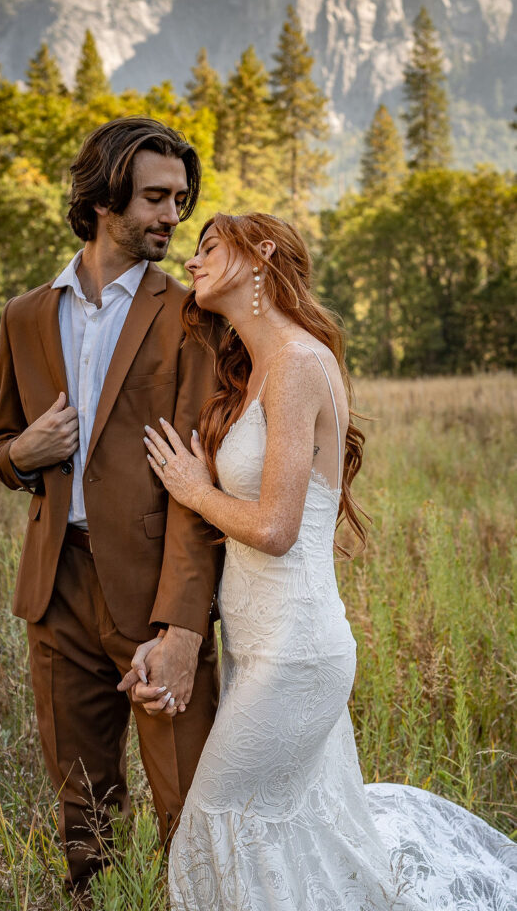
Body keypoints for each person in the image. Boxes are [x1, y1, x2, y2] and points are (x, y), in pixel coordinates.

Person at [121, 212, 517, 909]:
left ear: (260, 254)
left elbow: (275, 529)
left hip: (295, 653)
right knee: (285, 839)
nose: (192, 260)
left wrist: (192, 489)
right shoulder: (264, 368)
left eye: (209, 246)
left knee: (214, 825)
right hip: (259, 648)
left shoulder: (301, 363)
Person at [0, 117, 223, 898]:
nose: (171, 217)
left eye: (180, 200)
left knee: (187, 810)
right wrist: (23, 456)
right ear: (102, 197)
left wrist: (183, 628)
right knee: (83, 813)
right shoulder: (25, 316)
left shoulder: (191, 315)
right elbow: (3, 443)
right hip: (57, 593)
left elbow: (201, 487)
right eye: (155, 197)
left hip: (157, 594)